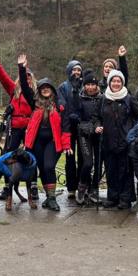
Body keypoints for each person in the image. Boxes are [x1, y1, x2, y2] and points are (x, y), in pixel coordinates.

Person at [0, 50, 35, 200]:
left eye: (28, 77)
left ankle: (32, 187)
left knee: (31, 156)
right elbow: (1, 75)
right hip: (14, 127)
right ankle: (7, 187)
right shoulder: (13, 90)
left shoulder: (35, 94)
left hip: (29, 128)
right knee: (8, 156)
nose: (25, 80)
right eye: (23, 77)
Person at [94, 70, 138, 210]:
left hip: (125, 142)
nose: (116, 83)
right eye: (113, 81)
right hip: (108, 142)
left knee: (125, 171)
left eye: (119, 81)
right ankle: (112, 197)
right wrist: (97, 126)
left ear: (122, 83)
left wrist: (135, 131)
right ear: (109, 82)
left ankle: (125, 198)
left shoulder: (128, 98)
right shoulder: (103, 99)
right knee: (111, 171)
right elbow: (96, 117)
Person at [25, 76, 72, 211]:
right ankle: (48, 197)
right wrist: (22, 69)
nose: (45, 89)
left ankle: (52, 199)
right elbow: (24, 87)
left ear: (52, 89)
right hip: (36, 142)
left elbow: (66, 125)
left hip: (53, 141)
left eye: (48, 87)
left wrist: (67, 144)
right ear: (39, 91)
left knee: (49, 166)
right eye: (42, 88)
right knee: (42, 168)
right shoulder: (34, 103)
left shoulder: (59, 104)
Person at [58, 59, 85, 200]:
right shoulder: (63, 87)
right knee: (69, 158)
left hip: (82, 127)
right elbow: (61, 104)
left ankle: (82, 184)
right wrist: (68, 114)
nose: (76, 72)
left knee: (82, 157)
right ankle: (71, 188)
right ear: (69, 71)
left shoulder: (84, 86)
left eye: (79, 70)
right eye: (74, 69)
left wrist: (79, 115)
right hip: (67, 126)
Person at [75, 70, 103, 205]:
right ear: (84, 86)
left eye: (93, 84)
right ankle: (81, 188)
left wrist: (99, 126)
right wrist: (92, 128)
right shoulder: (79, 99)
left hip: (98, 135)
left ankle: (94, 189)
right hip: (84, 135)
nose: (91, 87)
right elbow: (79, 121)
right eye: (88, 84)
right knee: (88, 163)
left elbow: (99, 117)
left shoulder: (102, 99)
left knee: (98, 164)